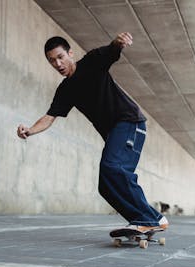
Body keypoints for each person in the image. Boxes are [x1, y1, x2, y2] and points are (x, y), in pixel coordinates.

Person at [16, 32, 168, 231]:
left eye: (61, 57)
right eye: (52, 61)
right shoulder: (65, 90)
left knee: (113, 168)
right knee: (106, 185)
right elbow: (50, 117)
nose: (58, 64)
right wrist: (30, 130)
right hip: (117, 132)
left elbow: (111, 51)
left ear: (70, 53)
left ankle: (146, 220)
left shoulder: (92, 61)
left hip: (130, 123)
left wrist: (118, 42)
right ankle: (154, 218)